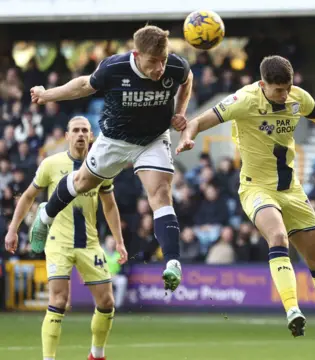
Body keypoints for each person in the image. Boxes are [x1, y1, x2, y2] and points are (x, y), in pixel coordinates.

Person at [177, 55, 315, 354]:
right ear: (263, 84)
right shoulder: (244, 100)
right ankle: (292, 310)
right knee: (277, 237)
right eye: (278, 89)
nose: (284, 94)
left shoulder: (298, 98)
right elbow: (200, 120)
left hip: (291, 190)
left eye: (288, 87)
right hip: (256, 188)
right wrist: (188, 137)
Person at [28, 25, 193, 291]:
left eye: (163, 61)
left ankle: (173, 262)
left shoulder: (175, 66)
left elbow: (188, 79)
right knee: (81, 183)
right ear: (137, 54)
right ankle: (45, 216)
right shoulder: (114, 68)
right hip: (115, 140)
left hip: (153, 139)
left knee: (161, 193)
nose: (160, 68)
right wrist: (47, 95)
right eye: (153, 62)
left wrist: (181, 111)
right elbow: (83, 85)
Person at [4, 116, 128, 360]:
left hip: (89, 243)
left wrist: (119, 241)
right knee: (59, 301)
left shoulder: (101, 166)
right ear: (67, 135)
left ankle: (96, 354)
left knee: (107, 302)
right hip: (58, 243)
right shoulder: (51, 164)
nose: (81, 135)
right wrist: (12, 229)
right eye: (76, 131)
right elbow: (28, 196)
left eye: (85, 130)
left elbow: (110, 206)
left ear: (91, 136)